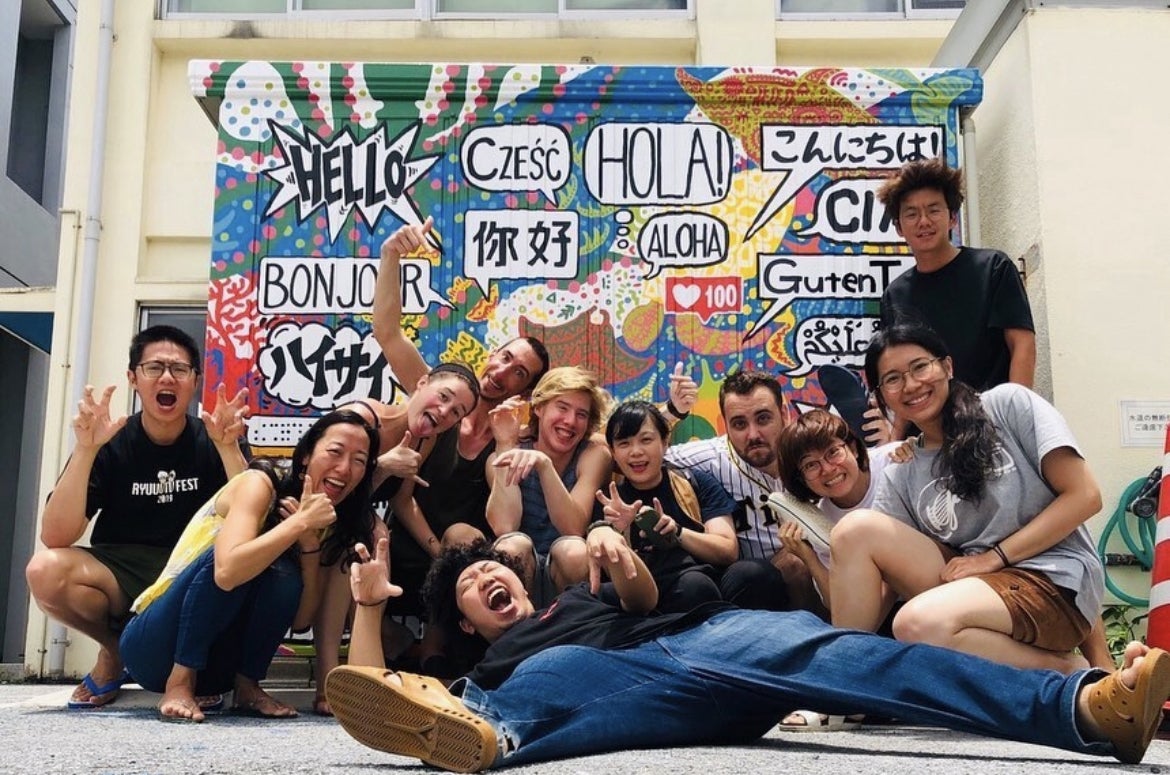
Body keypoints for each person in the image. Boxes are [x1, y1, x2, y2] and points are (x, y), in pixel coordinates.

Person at [325, 533, 1170, 771]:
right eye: (472, 586)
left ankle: (1088, 710)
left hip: (702, 638)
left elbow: (643, 600)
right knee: (541, 683)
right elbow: (361, 686)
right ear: (469, 622)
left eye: (492, 568)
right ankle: (482, 732)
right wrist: (367, 603)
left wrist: (620, 560)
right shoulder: (493, 660)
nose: (487, 578)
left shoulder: (577, 593)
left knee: (869, 658)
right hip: (620, 693)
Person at [830, 322, 1105, 674]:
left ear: (947, 366)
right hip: (974, 588)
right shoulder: (903, 470)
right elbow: (885, 580)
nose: (911, 385)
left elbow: (1085, 496)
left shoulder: (1007, 405)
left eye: (919, 366)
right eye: (893, 379)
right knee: (853, 530)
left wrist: (994, 557)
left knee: (916, 623)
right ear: (882, 396)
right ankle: (839, 676)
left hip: (1050, 581)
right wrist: (840, 633)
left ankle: (1070, 672)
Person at [24, 325, 249, 710]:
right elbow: (56, 535)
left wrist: (229, 449)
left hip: (192, 569)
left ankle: (193, 667)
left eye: (180, 369)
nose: (167, 377)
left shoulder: (216, 437)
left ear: (195, 381)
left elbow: (252, 518)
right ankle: (116, 651)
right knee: (45, 570)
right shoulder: (109, 440)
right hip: (120, 569)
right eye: (154, 367)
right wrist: (85, 450)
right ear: (133, 378)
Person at [118, 409, 379, 721]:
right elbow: (226, 573)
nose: (345, 468)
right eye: (335, 452)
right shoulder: (259, 483)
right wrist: (297, 525)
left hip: (218, 671)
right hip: (152, 647)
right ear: (306, 455)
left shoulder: (329, 522)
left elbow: (300, 622)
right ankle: (180, 682)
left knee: (284, 573)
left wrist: (309, 546)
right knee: (228, 556)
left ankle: (247, 687)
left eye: (359, 460)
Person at [372, 216, 549, 667]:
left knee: (464, 537)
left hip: (465, 558)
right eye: (505, 358)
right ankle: (409, 650)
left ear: (525, 390)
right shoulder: (440, 397)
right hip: (412, 542)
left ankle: (441, 652)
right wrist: (391, 256)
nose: (503, 372)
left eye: (519, 373)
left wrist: (505, 444)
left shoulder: (513, 437)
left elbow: (506, 523)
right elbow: (388, 333)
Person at [307, 363, 482, 715]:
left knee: (373, 537)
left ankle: (383, 654)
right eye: (443, 397)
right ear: (421, 383)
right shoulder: (362, 418)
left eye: (456, 412)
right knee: (362, 539)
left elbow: (402, 501)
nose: (445, 412)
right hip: (314, 512)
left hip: (356, 523)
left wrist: (439, 553)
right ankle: (331, 675)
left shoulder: (426, 438)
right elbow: (319, 482)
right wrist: (382, 465)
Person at [773, 408, 902, 731]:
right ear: (802, 478)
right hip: (880, 618)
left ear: (854, 448)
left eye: (833, 452)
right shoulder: (821, 517)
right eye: (811, 465)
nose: (828, 469)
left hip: (927, 583)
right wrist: (809, 557)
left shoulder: (893, 462)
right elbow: (841, 607)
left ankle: (838, 688)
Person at [664, 370, 816, 613]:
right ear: (725, 425)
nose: (753, 434)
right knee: (790, 564)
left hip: (825, 572)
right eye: (739, 424)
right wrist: (672, 412)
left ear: (784, 414)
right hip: (757, 585)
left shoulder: (811, 449)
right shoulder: (712, 457)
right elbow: (630, 453)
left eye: (763, 419)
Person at [877, 158, 1035, 392]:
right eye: (911, 214)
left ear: (952, 217)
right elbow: (898, 366)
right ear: (899, 227)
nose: (924, 221)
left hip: (992, 411)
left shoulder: (993, 268)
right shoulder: (895, 295)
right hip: (927, 414)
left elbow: (1022, 344)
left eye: (933, 210)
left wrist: (1016, 408)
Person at [484, 366, 613, 606]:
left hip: (568, 570)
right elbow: (504, 526)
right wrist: (505, 444)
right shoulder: (502, 456)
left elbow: (573, 528)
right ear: (539, 408)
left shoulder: (593, 455)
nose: (570, 421)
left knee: (573, 550)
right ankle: (521, 627)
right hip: (522, 571)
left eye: (581, 414)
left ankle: (572, 626)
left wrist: (545, 467)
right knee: (513, 547)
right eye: (562, 408)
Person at [595, 400, 738, 612]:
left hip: (702, 583)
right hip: (642, 597)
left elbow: (727, 550)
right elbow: (607, 571)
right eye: (624, 443)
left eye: (646, 440)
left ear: (664, 442)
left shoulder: (695, 483)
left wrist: (677, 532)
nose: (636, 451)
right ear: (613, 452)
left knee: (752, 574)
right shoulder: (607, 501)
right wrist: (619, 531)